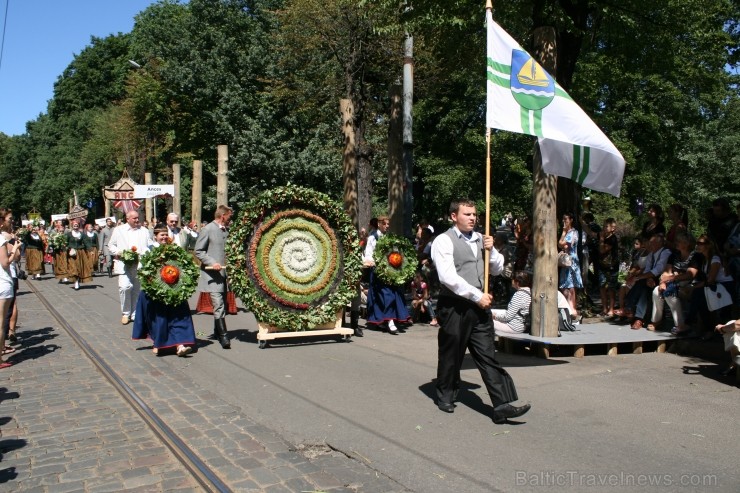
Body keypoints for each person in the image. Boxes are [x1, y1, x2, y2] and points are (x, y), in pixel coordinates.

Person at [430, 199, 530, 423]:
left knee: (487, 354)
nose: (473, 218)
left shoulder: (480, 239)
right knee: (452, 353)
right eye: (467, 214)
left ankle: (502, 404)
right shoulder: (443, 241)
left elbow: (496, 269)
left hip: (480, 305)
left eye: (474, 214)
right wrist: (477, 296)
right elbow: (447, 277)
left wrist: (491, 250)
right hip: (455, 305)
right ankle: (445, 394)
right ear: (454, 216)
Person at [132, 225, 196, 357]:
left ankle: (180, 345)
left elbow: (183, 266)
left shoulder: (175, 250)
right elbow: (141, 270)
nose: (164, 237)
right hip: (155, 291)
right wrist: (154, 285)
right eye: (162, 235)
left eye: (166, 234)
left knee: (178, 318)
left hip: (174, 289)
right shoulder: (147, 250)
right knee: (159, 320)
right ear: (155, 236)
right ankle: (158, 342)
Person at [362, 215, 411, 334]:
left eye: (388, 224)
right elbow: (368, 253)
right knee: (383, 295)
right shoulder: (373, 237)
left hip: (390, 270)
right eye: (385, 224)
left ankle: (390, 319)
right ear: (379, 224)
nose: (387, 226)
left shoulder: (389, 237)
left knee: (393, 294)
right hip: (378, 271)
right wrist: (372, 262)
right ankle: (387, 320)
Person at [194, 205, 233, 349]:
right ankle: (224, 336)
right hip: (212, 274)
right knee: (219, 305)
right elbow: (199, 251)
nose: (230, 219)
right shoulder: (208, 229)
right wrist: (212, 262)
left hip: (224, 274)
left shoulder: (227, 230)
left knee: (222, 303)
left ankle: (217, 332)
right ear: (223, 216)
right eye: (229, 216)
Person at [648, 233, 703, 333]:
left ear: (686, 244)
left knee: (670, 294)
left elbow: (690, 275)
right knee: (656, 291)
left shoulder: (695, 256)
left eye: (679, 241)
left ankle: (680, 325)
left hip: (689, 285)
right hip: (673, 282)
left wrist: (671, 278)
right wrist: (662, 282)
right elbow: (667, 270)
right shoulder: (674, 255)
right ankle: (656, 320)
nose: (676, 243)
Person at [108, 211, 152, 325]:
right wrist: (120, 252)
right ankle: (125, 313)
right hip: (124, 263)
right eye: (134, 218)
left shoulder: (144, 231)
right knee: (125, 287)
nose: (137, 220)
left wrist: (147, 252)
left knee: (137, 289)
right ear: (128, 219)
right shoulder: (119, 230)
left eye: (138, 218)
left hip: (139, 264)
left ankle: (134, 313)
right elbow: (111, 245)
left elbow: (150, 245)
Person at [621, 233, 671, 330]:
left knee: (641, 283)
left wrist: (640, 277)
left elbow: (659, 269)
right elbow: (648, 269)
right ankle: (637, 317)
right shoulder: (651, 255)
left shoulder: (666, 252)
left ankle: (631, 310)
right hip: (651, 278)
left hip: (663, 279)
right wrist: (648, 278)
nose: (649, 244)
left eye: (652, 243)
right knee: (643, 287)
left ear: (659, 243)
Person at [558, 212, 583, 321]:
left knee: (570, 285)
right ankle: (568, 308)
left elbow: (563, 244)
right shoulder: (568, 232)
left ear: (571, 220)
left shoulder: (573, 233)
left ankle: (572, 309)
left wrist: (563, 233)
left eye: (566, 219)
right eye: (563, 219)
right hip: (566, 262)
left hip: (571, 261)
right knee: (565, 286)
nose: (564, 222)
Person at [0, 230, 18, 369]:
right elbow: (6, 263)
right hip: (3, 283)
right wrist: (15, 248)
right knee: (0, 322)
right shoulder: (1, 240)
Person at [597, 218, 619, 317]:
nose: (604, 228)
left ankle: (611, 308)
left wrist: (601, 239)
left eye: (606, 226)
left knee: (611, 288)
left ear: (612, 228)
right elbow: (591, 233)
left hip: (611, 267)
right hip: (602, 265)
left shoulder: (612, 238)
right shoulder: (602, 235)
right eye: (604, 226)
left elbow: (602, 250)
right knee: (602, 286)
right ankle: (604, 308)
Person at [65, 220, 92, 290]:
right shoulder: (69, 234)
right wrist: (66, 248)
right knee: (73, 267)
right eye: (74, 225)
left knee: (80, 267)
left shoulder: (82, 234)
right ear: (72, 226)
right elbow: (65, 243)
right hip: (72, 253)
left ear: (78, 226)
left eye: (77, 225)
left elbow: (86, 242)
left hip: (80, 252)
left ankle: (78, 281)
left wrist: (90, 250)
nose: (75, 226)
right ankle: (76, 281)